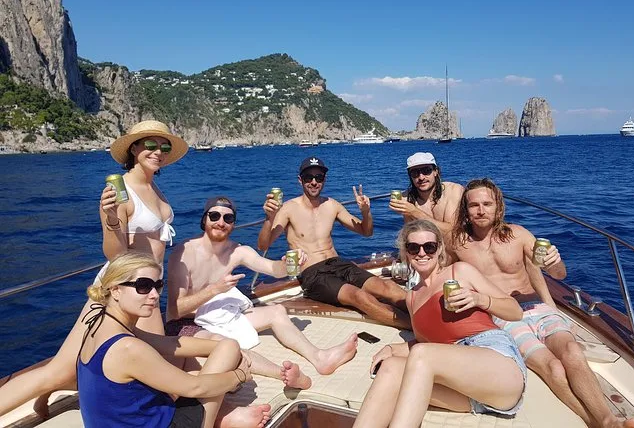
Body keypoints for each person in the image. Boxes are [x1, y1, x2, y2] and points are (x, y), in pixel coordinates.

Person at [0, 120, 189, 418]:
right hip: (124, 287)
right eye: (150, 145)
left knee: (83, 368)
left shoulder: (153, 186)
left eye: (164, 147)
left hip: (144, 288)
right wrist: (111, 218)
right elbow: (115, 254)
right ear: (134, 149)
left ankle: (49, 394)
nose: (158, 152)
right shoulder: (120, 191)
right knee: (58, 371)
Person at [449, 178, 634, 428]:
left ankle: (608, 420)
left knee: (571, 352)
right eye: (474, 205)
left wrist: (554, 263)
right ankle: (597, 422)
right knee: (553, 368)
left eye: (487, 204)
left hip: (536, 307)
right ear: (466, 209)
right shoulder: (458, 244)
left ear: (498, 207)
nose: (481, 210)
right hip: (503, 316)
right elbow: (443, 275)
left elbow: (559, 275)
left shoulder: (518, 235)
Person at [166, 197, 358, 389]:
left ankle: (320, 358)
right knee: (227, 346)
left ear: (233, 224)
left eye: (228, 218)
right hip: (188, 322)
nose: (221, 222)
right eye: (214, 216)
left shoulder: (237, 251)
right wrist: (215, 289)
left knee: (277, 312)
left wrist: (288, 265)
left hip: (219, 316)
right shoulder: (185, 253)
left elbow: (272, 269)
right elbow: (175, 310)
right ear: (204, 219)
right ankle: (283, 374)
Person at [353, 219, 526, 427]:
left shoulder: (459, 272)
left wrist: (479, 299)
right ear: (406, 252)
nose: (422, 253)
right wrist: (393, 348)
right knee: (391, 367)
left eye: (429, 247)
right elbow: (427, 343)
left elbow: (515, 311)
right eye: (414, 247)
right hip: (464, 391)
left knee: (422, 354)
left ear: (440, 249)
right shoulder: (412, 298)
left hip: (498, 366)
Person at [78, 251, 271, 428]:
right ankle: (219, 420)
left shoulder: (99, 325)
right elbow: (195, 388)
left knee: (223, 348)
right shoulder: (128, 348)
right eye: (143, 286)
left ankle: (222, 416)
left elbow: (171, 343)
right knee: (209, 372)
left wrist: (223, 346)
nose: (154, 295)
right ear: (115, 290)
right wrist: (239, 375)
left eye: (158, 286)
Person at [257, 156, 410, 329]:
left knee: (387, 286)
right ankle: (415, 328)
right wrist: (269, 218)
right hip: (313, 273)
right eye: (308, 177)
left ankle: (425, 315)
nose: (314, 182)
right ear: (300, 180)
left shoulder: (332, 205)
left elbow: (366, 232)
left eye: (319, 177)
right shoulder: (288, 208)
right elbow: (263, 245)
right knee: (358, 296)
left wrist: (366, 212)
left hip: (338, 264)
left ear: (324, 179)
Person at [389, 152, 464, 262]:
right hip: (426, 256)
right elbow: (409, 236)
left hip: (456, 255)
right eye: (415, 173)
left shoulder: (453, 191)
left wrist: (414, 212)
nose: (421, 177)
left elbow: (453, 233)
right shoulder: (406, 198)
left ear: (436, 171)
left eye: (426, 171)